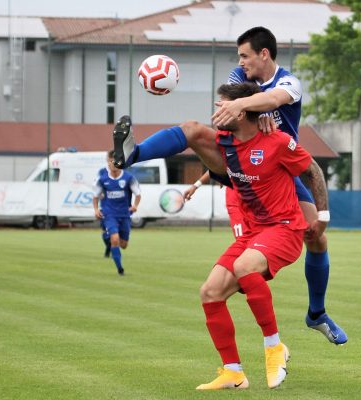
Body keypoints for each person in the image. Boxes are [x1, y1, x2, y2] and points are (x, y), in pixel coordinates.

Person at [136, 25, 346, 345]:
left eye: (245, 55)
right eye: (239, 57)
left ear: (264, 54)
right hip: (241, 169)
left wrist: (250, 105)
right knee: (193, 132)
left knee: (316, 238)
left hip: (280, 173)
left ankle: (316, 313)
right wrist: (244, 106)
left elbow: (274, 98)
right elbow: (229, 101)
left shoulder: (289, 82)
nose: (241, 62)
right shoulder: (239, 78)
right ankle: (133, 154)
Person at [117, 82, 331, 389]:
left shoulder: (277, 141)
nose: (217, 110)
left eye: (223, 105)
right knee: (210, 292)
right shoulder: (225, 143)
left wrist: (322, 218)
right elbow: (190, 132)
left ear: (242, 111)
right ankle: (233, 372)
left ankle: (275, 348)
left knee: (245, 267)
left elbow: (313, 171)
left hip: (284, 229)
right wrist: (131, 156)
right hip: (256, 232)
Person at [92, 150, 141, 275]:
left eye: (115, 162)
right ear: (108, 163)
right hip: (109, 214)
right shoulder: (102, 179)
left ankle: (109, 237)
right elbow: (95, 195)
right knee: (115, 239)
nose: (112, 164)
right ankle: (120, 269)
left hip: (124, 214)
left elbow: (138, 193)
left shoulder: (128, 178)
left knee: (123, 244)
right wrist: (96, 209)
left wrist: (135, 206)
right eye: (110, 162)